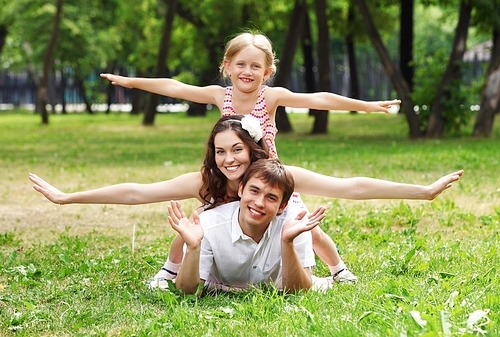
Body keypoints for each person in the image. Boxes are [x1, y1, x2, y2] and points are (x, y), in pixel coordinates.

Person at [100, 31, 401, 284]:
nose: (247, 71)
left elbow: (320, 99)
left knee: (306, 224)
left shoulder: (270, 96)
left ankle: (339, 270)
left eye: (256, 66)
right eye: (240, 64)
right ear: (227, 66)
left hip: (267, 176)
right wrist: (132, 82)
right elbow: (176, 87)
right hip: (232, 174)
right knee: (199, 220)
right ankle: (168, 271)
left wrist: (368, 105)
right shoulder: (221, 95)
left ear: (267, 72)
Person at [29, 116, 463, 286]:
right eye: (220, 151)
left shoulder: (276, 175)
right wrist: (68, 198)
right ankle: (168, 272)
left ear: (252, 150)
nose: (229, 159)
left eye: (237, 150)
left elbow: (351, 185)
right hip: (221, 241)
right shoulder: (208, 180)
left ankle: (338, 269)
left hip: (278, 232)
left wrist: (421, 192)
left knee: (302, 219)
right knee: (193, 223)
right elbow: (138, 192)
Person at [170, 158, 326, 294]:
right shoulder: (208, 225)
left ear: (282, 206)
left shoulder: (294, 224)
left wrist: (287, 242)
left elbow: (299, 291)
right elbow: (187, 293)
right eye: (254, 191)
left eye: (271, 198)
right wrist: (193, 248)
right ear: (241, 189)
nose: (259, 203)